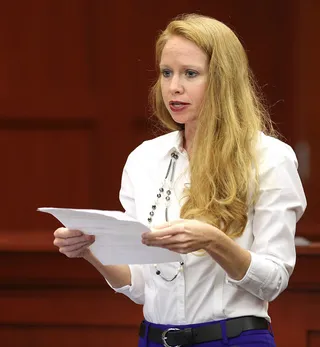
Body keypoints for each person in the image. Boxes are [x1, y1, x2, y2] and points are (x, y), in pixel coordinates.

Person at [53, 13, 306, 347]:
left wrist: (214, 241)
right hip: (156, 338)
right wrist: (89, 249)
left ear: (222, 80)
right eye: (166, 72)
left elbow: (272, 281)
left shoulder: (270, 157)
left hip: (233, 338)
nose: (174, 87)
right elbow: (140, 286)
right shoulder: (143, 159)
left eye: (190, 73)